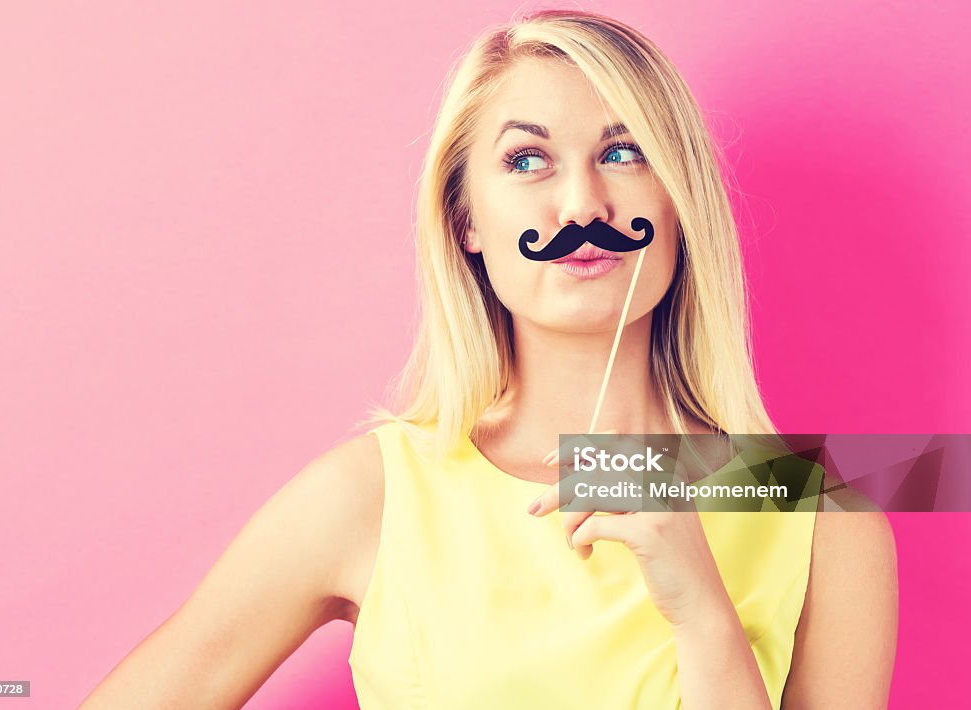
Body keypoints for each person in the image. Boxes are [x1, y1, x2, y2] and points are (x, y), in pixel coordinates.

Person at [79, 9, 898, 709]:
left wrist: (704, 617)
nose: (582, 205)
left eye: (623, 153)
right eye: (527, 160)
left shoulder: (824, 523)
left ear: (679, 204)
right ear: (467, 223)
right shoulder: (373, 496)